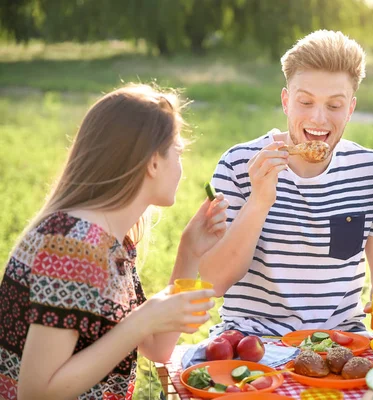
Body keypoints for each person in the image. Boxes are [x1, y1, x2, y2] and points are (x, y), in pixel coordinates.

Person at [0, 84, 229, 399]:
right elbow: (36, 393)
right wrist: (140, 321)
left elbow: (156, 347)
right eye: (178, 150)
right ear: (153, 162)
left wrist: (189, 253)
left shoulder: (111, 241)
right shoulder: (74, 246)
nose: (182, 165)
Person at [198, 30, 373, 338]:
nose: (319, 119)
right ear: (286, 102)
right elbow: (212, 281)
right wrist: (259, 201)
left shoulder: (372, 170)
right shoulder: (239, 163)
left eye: (334, 106)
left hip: (339, 341)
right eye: (305, 102)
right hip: (252, 340)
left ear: (350, 108)